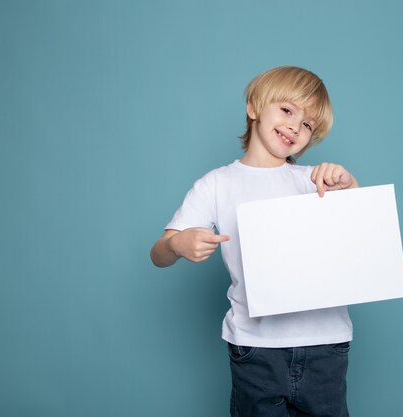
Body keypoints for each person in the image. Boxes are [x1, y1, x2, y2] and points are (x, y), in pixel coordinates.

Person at [150, 66, 358, 417]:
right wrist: (178, 244)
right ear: (254, 108)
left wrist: (349, 185)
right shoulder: (217, 184)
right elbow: (159, 253)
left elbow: (361, 236)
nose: (295, 126)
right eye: (287, 110)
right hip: (255, 347)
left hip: (325, 343)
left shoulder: (316, 180)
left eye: (307, 124)